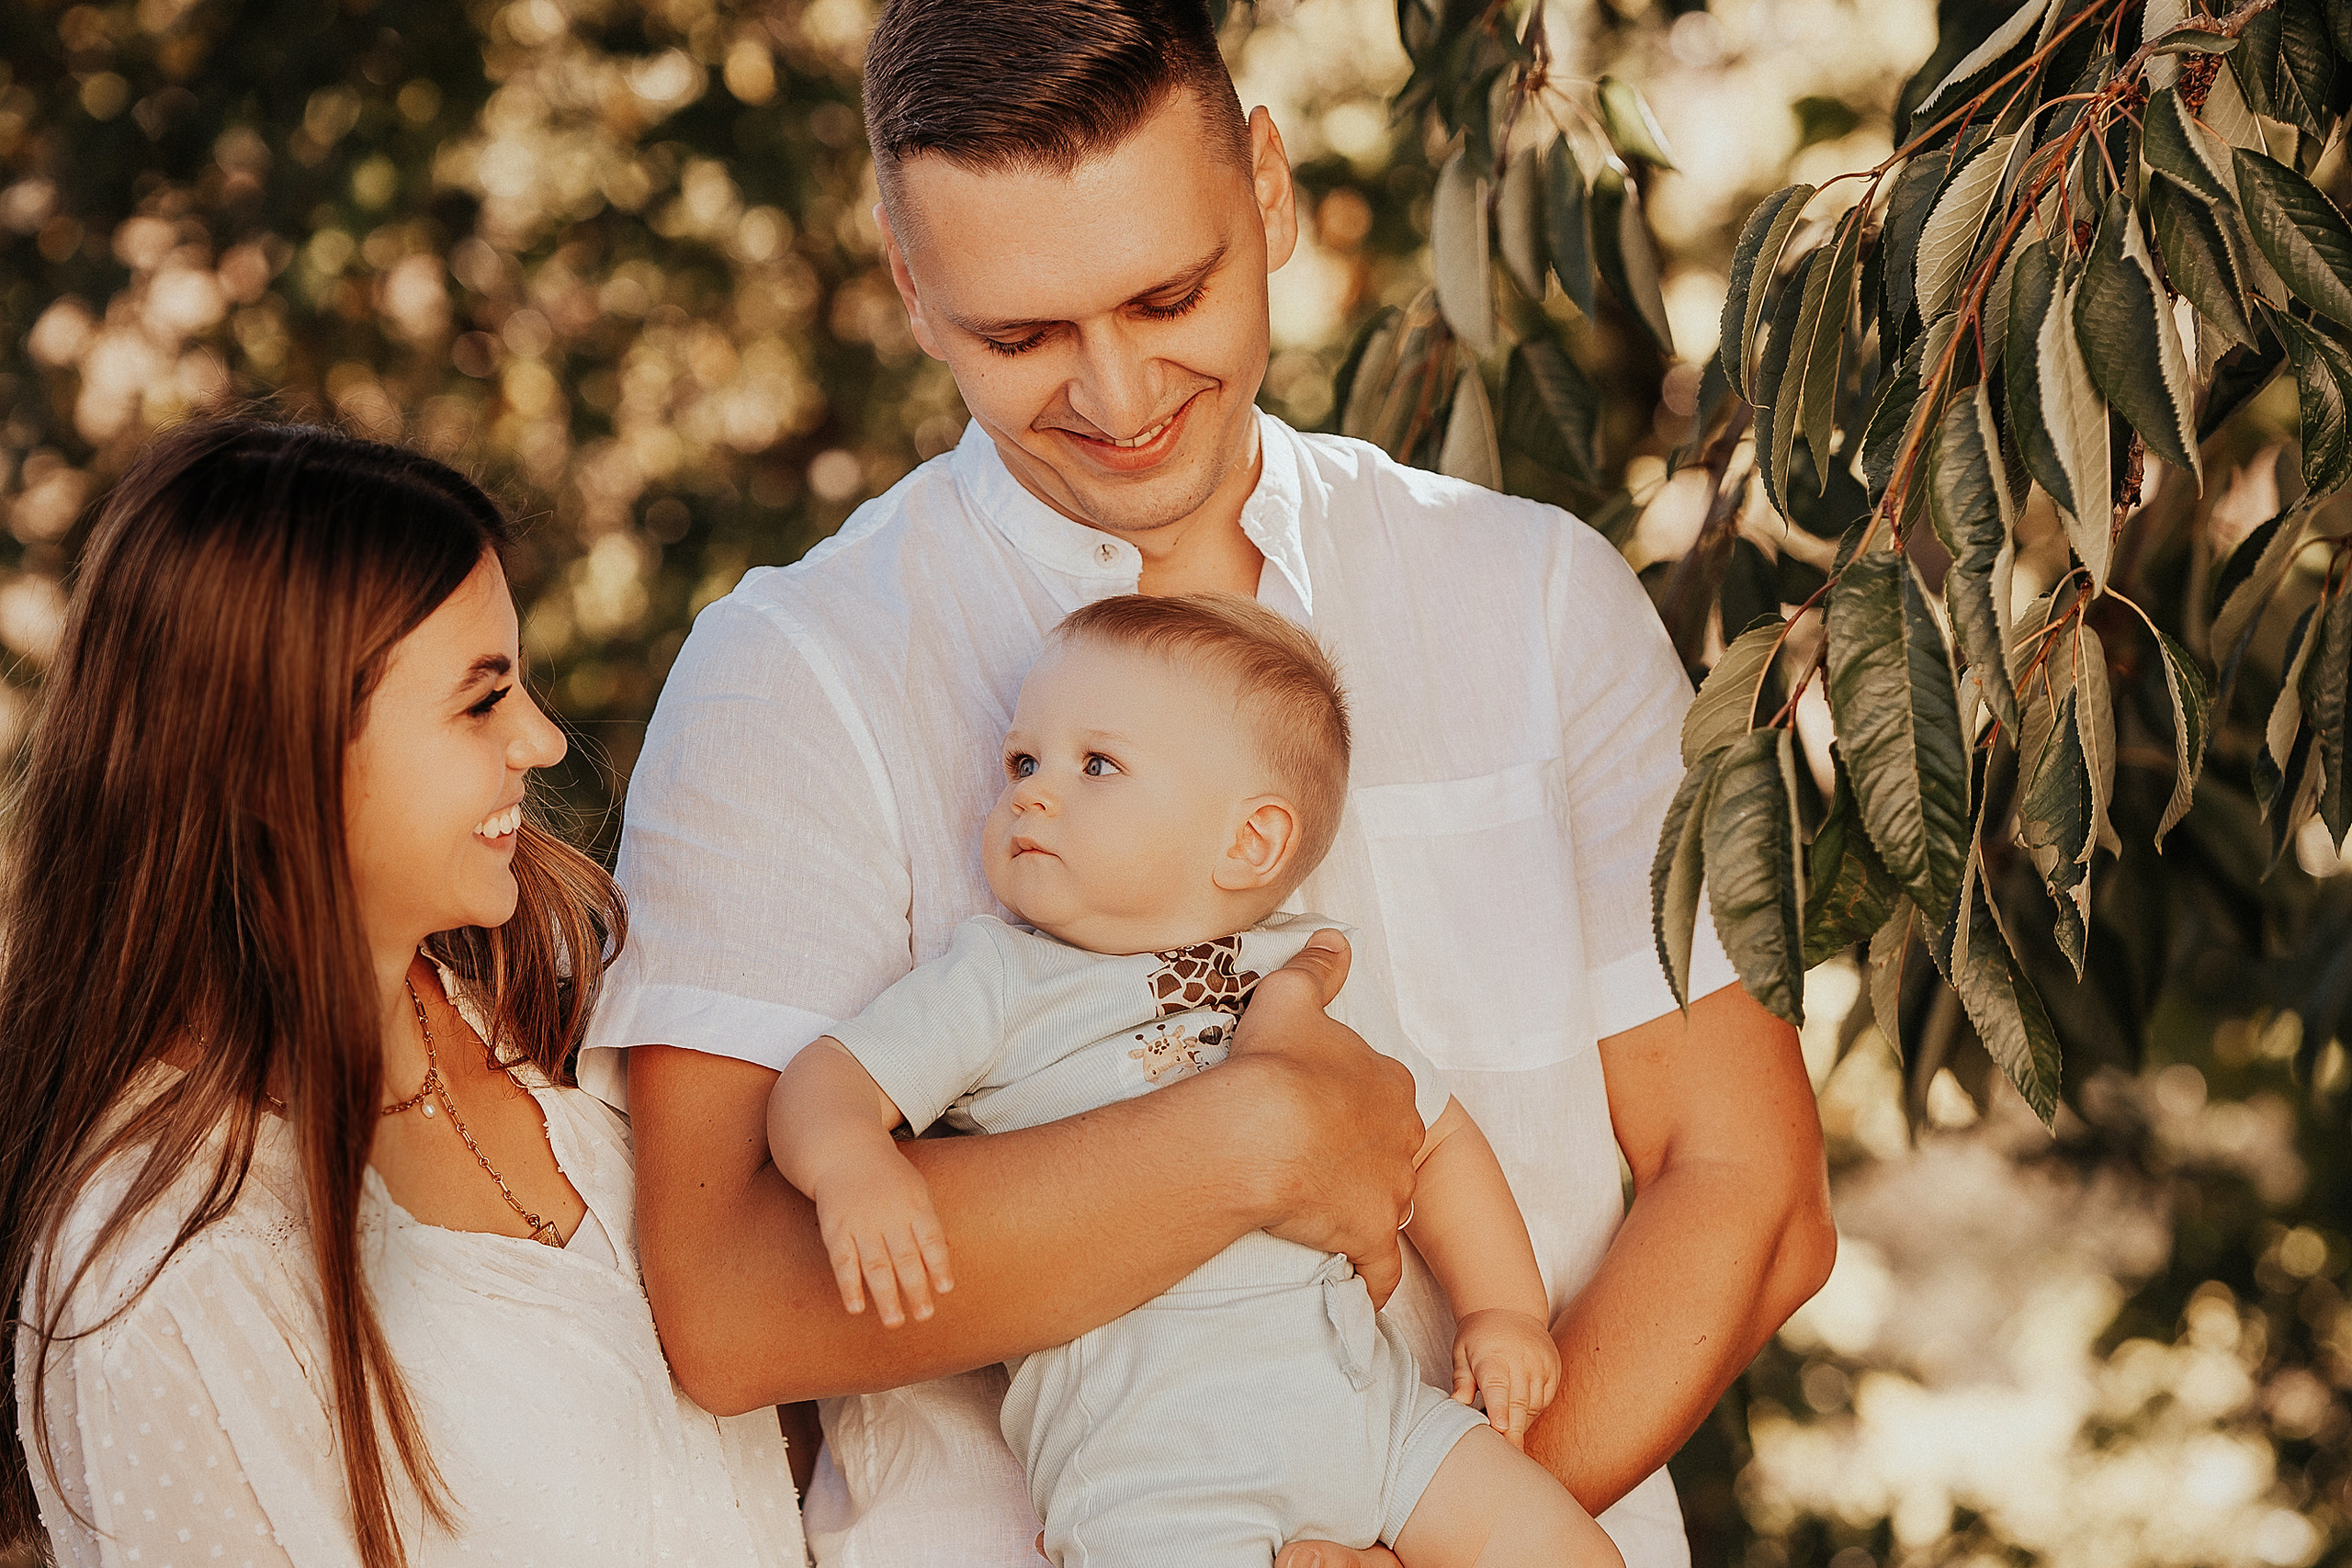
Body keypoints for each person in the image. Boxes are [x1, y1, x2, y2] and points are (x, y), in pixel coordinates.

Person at [587, 2, 1840, 1564]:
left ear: (1268, 186)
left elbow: (1746, 1184)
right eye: (1020, 335)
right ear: (912, 285)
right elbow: (726, 1301)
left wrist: (1421, 1550)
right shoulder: (795, 672)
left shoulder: (1530, 599)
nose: (1115, 397)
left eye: (1168, 294)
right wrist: (1246, 1141)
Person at [0, 418, 804, 1566]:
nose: (540, 737)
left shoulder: (549, 995)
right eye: (480, 701)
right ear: (273, 756)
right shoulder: (165, 1276)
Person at [769, 592, 1606, 1567]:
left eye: (1098, 765)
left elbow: (1439, 1136)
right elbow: (828, 1077)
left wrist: (1503, 1311)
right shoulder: (998, 979)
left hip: (1374, 1420)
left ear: (1250, 841)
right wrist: (850, 1162)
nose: (1032, 793)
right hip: (1155, 1467)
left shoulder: (1309, 971)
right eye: (1023, 762)